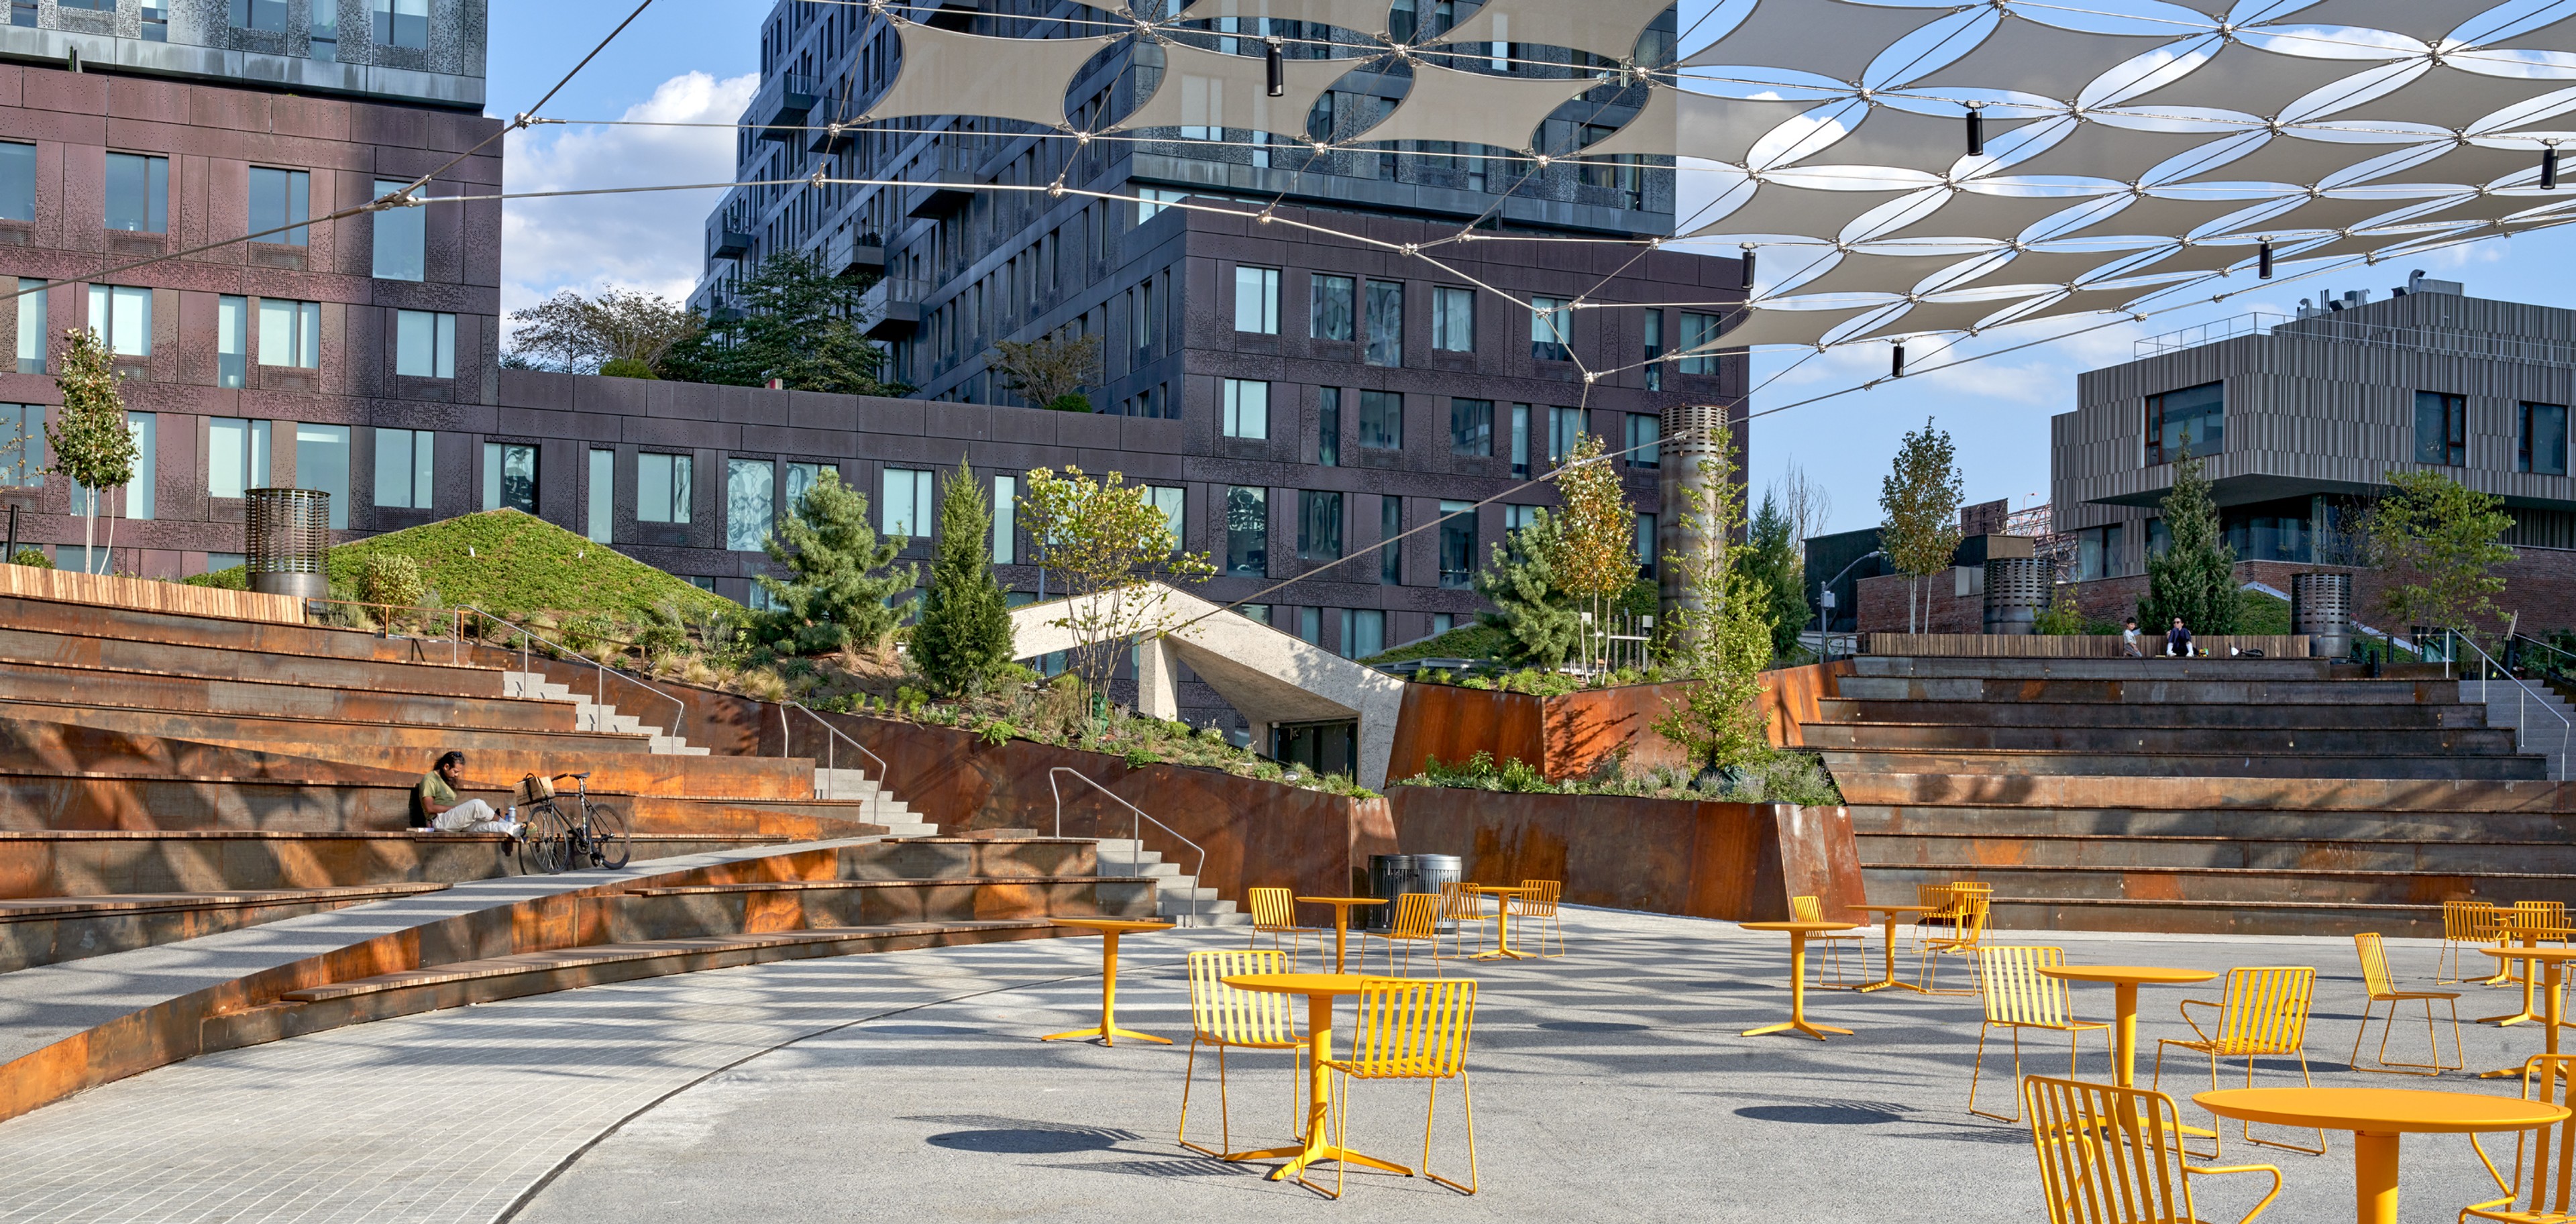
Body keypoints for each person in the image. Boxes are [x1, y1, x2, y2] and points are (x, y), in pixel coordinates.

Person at [413, 750, 522, 836]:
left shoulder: (447, 780)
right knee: (477, 804)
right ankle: (504, 822)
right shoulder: (430, 779)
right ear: (446, 767)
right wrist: (454, 809)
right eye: (455, 772)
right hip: (440, 821)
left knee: (487, 826)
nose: (456, 775)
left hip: (453, 821)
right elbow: (430, 808)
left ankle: (519, 830)